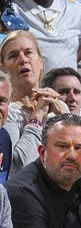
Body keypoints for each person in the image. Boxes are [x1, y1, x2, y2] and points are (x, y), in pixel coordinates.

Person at [0, 32, 68, 175]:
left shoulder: (59, 107)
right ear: (3, 69)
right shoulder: (7, 111)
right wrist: (37, 118)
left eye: (28, 53)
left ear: (41, 62)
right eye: (13, 56)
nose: (23, 60)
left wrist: (66, 120)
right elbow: (16, 166)